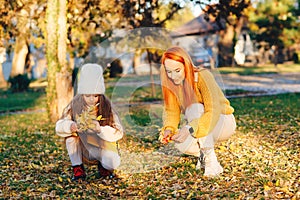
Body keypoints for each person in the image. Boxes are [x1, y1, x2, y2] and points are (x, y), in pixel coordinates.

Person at [159, 46, 236, 177]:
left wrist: (189, 128)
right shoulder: (171, 84)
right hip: (201, 125)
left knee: (194, 108)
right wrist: (169, 129)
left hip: (222, 122)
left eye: (177, 70)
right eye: (169, 72)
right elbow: (171, 111)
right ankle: (203, 155)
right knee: (180, 143)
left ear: (186, 65)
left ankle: (212, 161)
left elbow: (213, 111)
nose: (173, 76)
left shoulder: (202, 76)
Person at [55, 63, 123, 181]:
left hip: (101, 146)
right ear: (82, 95)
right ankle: (78, 170)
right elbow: (59, 126)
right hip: (83, 148)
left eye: (96, 96)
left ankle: (104, 167)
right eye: (87, 96)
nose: (92, 99)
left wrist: (100, 130)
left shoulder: (106, 107)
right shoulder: (74, 105)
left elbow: (118, 132)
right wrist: (71, 126)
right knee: (71, 139)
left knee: (112, 162)